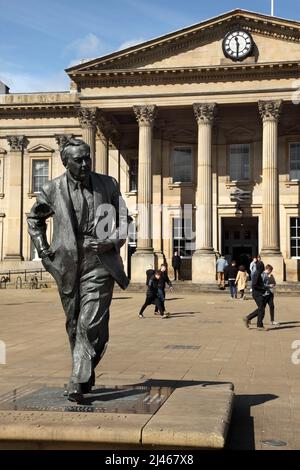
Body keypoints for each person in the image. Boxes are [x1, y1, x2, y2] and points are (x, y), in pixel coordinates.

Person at [27, 138, 130, 403]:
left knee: (88, 322)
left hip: (100, 262)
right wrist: (44, 251)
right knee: (75, 325)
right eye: (78, 160)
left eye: (87, 158)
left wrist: (109, 241)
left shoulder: (108, 184)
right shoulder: (51, 189)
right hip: (66, 265)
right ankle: (85, 372)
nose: (85, 164)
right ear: (65, 162)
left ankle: (75, 379)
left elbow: (123, 220)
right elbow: (34, 220)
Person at [243, 261, 268, 330]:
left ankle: (248, 318)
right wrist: (263, 288)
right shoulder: (257, 274)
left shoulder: (258, 273)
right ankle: (259, 325)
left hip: (258, 293)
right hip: (257, 293)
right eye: (262, 266)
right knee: (261, 309)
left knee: (261, 308)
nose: (263, 268)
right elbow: (254, 285)